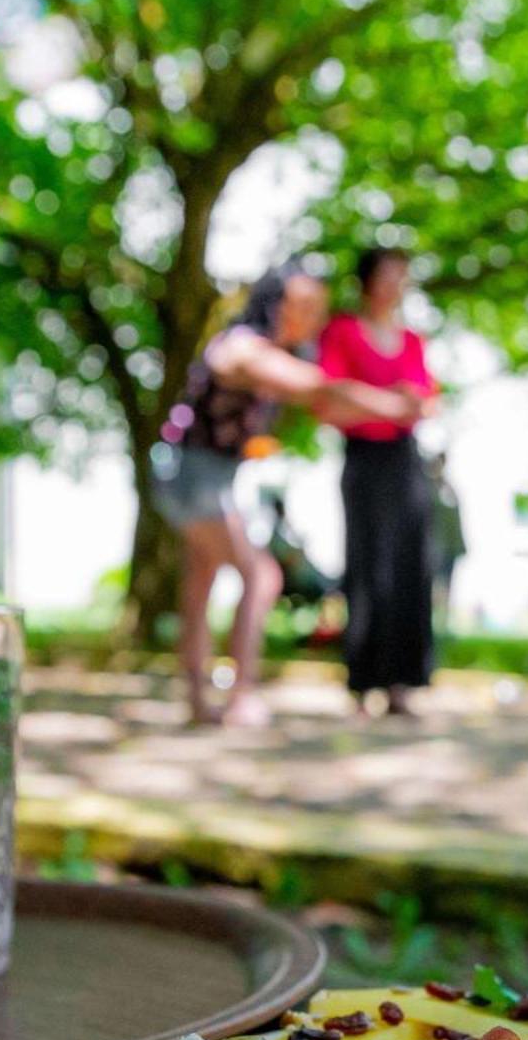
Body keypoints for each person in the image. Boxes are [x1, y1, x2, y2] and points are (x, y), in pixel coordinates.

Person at [152, 265, 423, 727]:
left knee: (201, 582)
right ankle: (242, 697)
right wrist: (395, 406)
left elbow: (324, 400)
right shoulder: (244, 348)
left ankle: (199, 702)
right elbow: (319, 387)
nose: (310, 318)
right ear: (273, 303)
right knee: (260, 577)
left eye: (315, 308)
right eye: (301, 306)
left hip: (201, 475)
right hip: (195, 476)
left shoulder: (271, 353)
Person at [319, 247, 439, 716]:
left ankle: (403, 683)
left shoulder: (412, 340)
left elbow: (428, 400)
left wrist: (391, 403)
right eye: (389, 275)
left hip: (405, 459)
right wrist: (391, 405)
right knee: (369, 564)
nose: (396, 284)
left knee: (412, 563)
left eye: (402, 276)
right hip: (364, 459)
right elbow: (329, 399)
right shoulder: (344, 331)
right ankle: (364, 678)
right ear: (368, 280)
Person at [425, 450, 466, 622]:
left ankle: (444, 620)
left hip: (451, 546)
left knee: (448, 583)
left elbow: (456, 509)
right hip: (434, 547)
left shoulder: (448, 488)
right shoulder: (426, 488)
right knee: (433, 584)